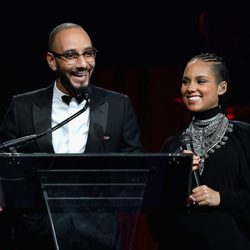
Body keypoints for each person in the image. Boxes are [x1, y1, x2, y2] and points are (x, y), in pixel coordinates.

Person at [0, 22, 144, 250]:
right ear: (51, 60)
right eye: (71, 55)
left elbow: (135, 167)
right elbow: (4, 164)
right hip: (38, 235)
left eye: (88, 54)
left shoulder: (119, 105)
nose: (83, 64)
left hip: (99, 235)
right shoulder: (22, 106)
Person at [149, 53, 250, 250]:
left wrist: (221, 198)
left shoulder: (244, 136)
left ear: (222, 87)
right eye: (185, 82)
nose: (190, 88)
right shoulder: (172, 144)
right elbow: (155, 212)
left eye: (200, 81)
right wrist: (174, 181)